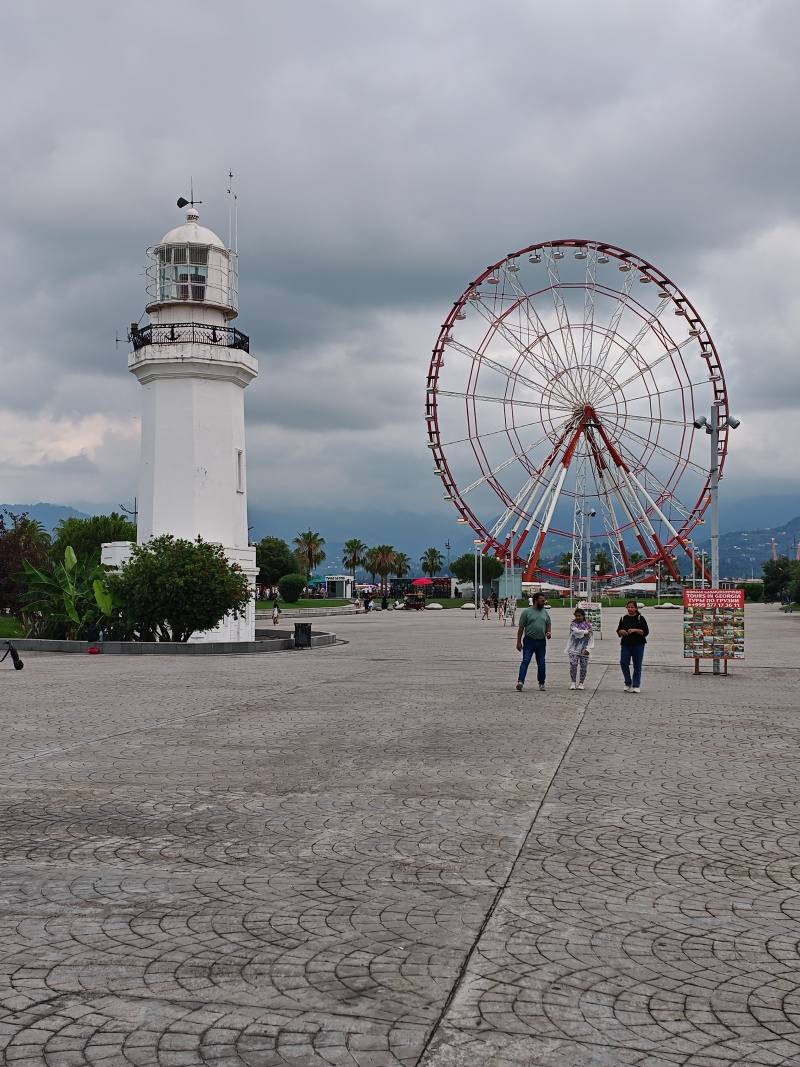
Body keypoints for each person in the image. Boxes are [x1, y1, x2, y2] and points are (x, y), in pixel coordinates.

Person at [515, 592, 551, 691]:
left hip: (541, 642)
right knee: (525, 661)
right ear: (535, 600)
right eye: (542, 600)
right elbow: (521, 628)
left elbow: (548, 623)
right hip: (529, 641)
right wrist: (518, 642)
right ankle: (520, 682)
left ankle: (541, 683)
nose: (543, 601)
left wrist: (548, 632)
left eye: (544, 600)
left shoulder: (545, 612)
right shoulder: (526, 612)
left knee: (541, 663)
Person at [617, 600, 649, 693]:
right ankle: (628, 682)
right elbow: (618, 631)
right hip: (625, 644)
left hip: (638, 644)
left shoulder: (640, 618)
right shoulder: (624, 618)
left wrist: (635, 630)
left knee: (637, 665)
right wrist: (621, 631)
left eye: (632, 607)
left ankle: (636, 685)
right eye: (629, 607)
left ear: (636, 608)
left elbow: (646, 632)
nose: (630, 609)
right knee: (623, 662)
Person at [565, 607, 593, 690]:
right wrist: (586, 632)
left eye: (579, 616)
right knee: (573, 665)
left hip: (584, 648)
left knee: (584, 666)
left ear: (583, 616)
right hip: (573, 648)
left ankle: (581, 683)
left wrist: (589, 649)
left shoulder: (588, 625)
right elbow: (576, 632)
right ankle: (573, 682)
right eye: (576, 616)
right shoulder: (573, 624)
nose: (578, 617)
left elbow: (591, 638)